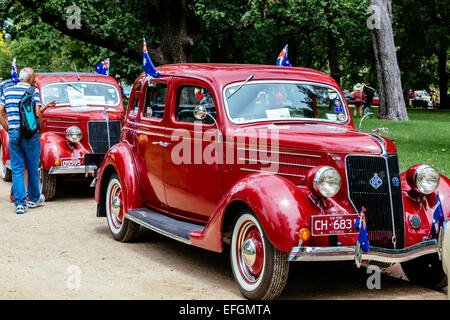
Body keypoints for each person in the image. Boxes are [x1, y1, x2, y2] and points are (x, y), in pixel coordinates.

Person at [0, 68, 55, 214]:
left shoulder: (7, 91)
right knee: (32, 168)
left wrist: (8, 128)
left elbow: (0, 111)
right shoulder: (33, 90)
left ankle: (19, 204)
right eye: (34, 76)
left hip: (13, 134)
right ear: (29, 77)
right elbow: (37, 113)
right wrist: (41, 131)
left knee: (17, 169)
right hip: (30, 134)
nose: (35, 79)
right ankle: (34, 200)